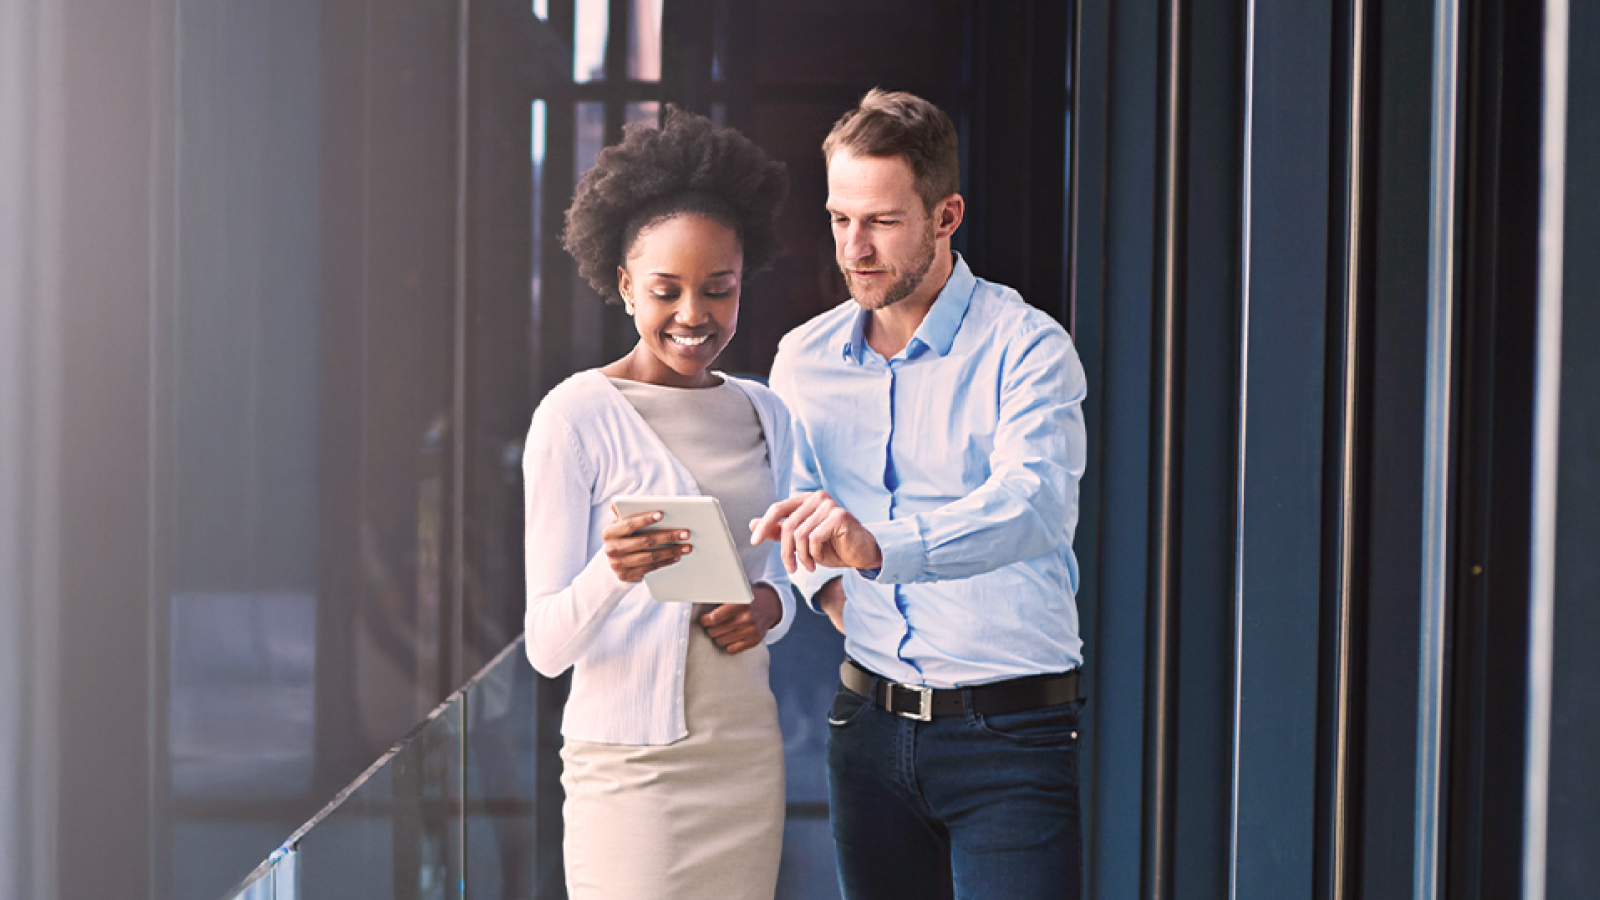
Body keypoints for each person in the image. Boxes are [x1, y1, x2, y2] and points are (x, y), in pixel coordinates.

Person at [752, 89, 1089, 900]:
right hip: (865, 727)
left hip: (1011, 735)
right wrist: (834, 588)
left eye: (882, 222)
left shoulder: (1027, 347)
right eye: (840, 219)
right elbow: (799, 507)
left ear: (946, 216)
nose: (854, 248)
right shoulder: (802, 359)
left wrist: (882, 548)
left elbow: (1036, 503)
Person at [522, 107, 794, 900]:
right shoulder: (575, 416)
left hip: (743, 750)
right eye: (665, 290)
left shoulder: (765, 410)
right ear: (622, 283)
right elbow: (545, 647)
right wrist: (614, 571)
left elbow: (786, 579)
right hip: (629, 767)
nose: (694, 317)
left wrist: (770, 606)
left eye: (720, 289)